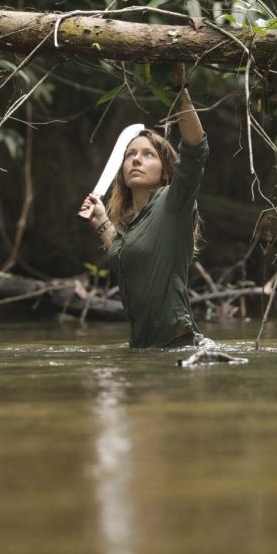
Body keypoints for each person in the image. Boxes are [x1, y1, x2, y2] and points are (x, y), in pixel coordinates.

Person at [80, 64, 208, 349]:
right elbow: (127, 258)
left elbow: (196, 149)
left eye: (148, 155)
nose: (136, 160)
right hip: (142, 347)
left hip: (178, 344)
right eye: (130, 155)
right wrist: (101, 222)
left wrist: (180, 91)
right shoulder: (127, 225)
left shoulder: (173, 203)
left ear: (165, 171)